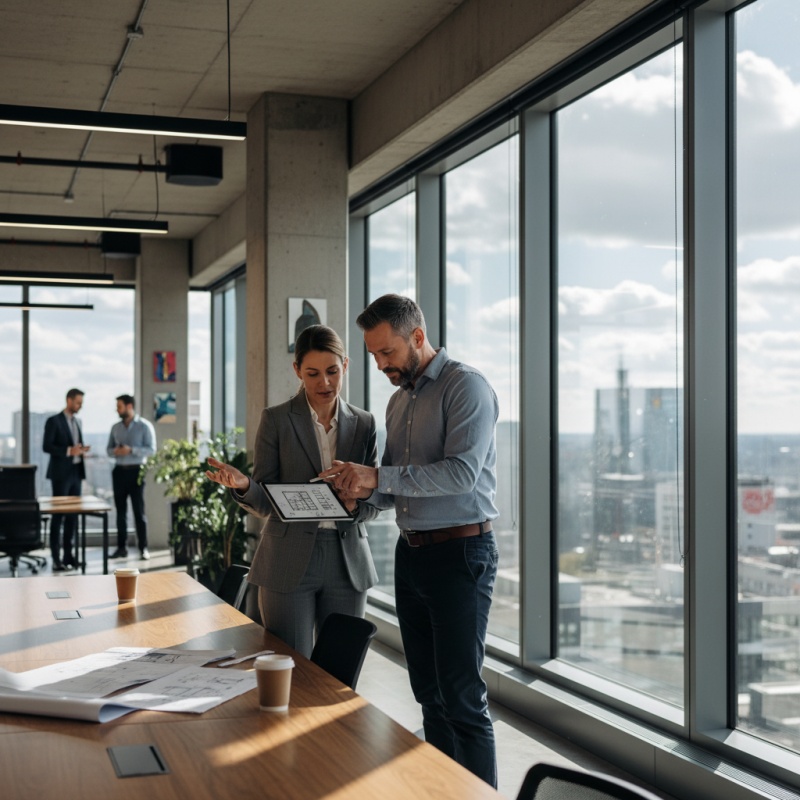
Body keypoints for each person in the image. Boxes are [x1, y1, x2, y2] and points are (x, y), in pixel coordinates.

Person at [319, 294, 500, 787]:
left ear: (417, 337)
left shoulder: (467, 388)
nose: (380, 365)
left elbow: (461, 474)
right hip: (412, 553)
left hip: (461, 554)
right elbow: (393, 488)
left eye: (387, 352)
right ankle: (443, 791)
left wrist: (376, 478)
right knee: (428, 693)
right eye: (373, 354)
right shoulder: (399, 400)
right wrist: (358, 496)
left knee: (462, 697)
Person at [205, 324, 382, 658]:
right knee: (289, 666)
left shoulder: (365, 424)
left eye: (332, 371)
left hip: (347, 563)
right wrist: (245, 485)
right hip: (287, 561)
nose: (324, 383)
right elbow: (265, 500)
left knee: (338, 670)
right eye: (312, 373)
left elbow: (376, 499)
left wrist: (355, 502)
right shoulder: (277, 420)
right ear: (297, 370)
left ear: (346, 365)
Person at [43, 387, 90, 571]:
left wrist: (80, 450)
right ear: (69, 400)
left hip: (76, 473)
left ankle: (69, 556)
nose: (80, 406)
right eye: (78, 402)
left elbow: (74, 444)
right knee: (59, 516)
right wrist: (69, 451)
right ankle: (56, 558)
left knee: (73, 517)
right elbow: (47, 446)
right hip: (61, 475)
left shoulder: (78, 422)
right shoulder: (54, 421)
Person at [106, 394, 156, 560]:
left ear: (129, 406)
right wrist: (116, 451)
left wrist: (131, 450)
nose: (116, 410)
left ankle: (143, 548)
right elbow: (108, 450)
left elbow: (151, 450)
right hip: (119, 471)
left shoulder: (144, 426)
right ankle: (122, 548)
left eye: (119, 406)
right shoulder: (115, 428)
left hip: (136, 471)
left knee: (138, 512)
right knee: (120, 512)